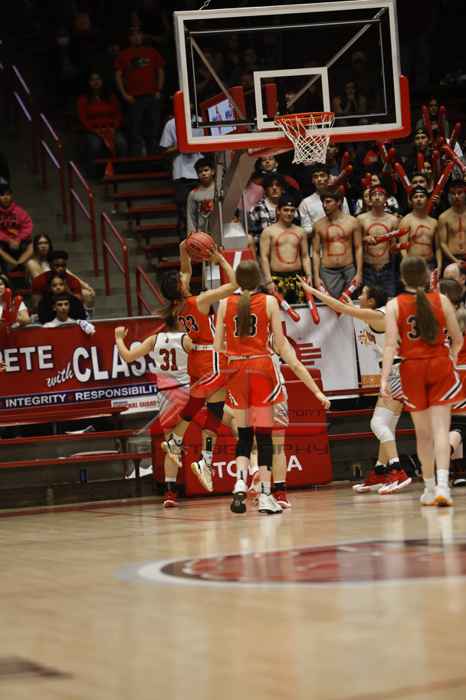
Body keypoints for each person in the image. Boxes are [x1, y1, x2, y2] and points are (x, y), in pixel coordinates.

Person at [214, 260, 330, 514]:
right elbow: (280, 342)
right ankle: (267, 495)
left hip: (236, 370)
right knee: (265, 438)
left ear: (236, 281)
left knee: (244, 436)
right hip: (261, 369)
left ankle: (239, 482)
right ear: (258, 279)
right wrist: (316, 391)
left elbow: (217, 346)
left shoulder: (223, 303)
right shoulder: (268, 302)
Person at [300, 278, 412, 494]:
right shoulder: (381, 314)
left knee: (377, 424)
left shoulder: (377, 316)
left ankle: (398, 470)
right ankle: (380, 470)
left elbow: (340, 307)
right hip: (398, 371)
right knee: (387, 426)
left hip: (397, 372)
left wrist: (311, 291)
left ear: (371, 301)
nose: (359, 296)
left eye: (363, 294)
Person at [380, 256, 464, 507]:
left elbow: (389, 346)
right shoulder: (442, 300)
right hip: (439, 365)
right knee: (441, 430)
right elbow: (458, 339)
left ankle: (429, 488)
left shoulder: (394, 305)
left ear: (402, 277)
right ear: (428, 276)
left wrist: (384, 379)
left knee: (423, 434)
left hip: (412, 369)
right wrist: (450, 358)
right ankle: (443, 486)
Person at [158, 240, 239, 492]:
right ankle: (178, 441)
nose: (185, 278)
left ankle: (205, 460)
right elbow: (234, 284)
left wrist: (183, 247)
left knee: (214, 411)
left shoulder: (175, 307)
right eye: (182, 280)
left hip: (194, 361)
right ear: (181, 287)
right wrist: (221, 259)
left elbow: (185, 269)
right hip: (209, 358)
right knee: (202, 407)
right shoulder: (199, 301)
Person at [114, 306, 193, 508]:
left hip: (166, 395)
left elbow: (128, 357)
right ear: (181, 321)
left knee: (172, 446)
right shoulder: (187, 339)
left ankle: (170, 493)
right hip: (186, 392)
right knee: (219, 420)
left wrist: (119, 338)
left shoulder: (154, 340)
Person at [115, 26, 165, 155]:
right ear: (129, 38)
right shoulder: (123, 54)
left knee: (153, 128)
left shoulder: (152, 51)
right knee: (135, 130)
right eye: (133, 35)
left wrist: (159, 90)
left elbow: (160, 70)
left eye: (139, 34)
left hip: (152, 95)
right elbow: (118, 75)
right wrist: (124, 94)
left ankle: (154, 156)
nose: (136, 37)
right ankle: (137, 158)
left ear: (142, 36)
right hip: (134, 98)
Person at [260, 195, 311, 304]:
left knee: (301, 311)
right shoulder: (268, 232)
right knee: (277, 311)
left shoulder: (300, 232)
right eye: (286, 210)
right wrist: (268, 281)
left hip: (298, 278)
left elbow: (305, 256)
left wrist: (309, 275)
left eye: (292, 211)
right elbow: (264, 257)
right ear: (278, 211)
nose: (289, 213)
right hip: (276, 279)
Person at [312, 189, 363, 299]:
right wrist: (316, 277)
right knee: (330, 304)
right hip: (327, 271)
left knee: (351, 303)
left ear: (339, 202)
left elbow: (358, 247)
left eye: (328, 202)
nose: (324, 205)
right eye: (323, 202)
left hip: (349, 269)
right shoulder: (318, 225)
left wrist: (359, 272)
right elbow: (315, 252)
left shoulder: (353, 222)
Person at [159, 114, 203, 239]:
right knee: (184, 214)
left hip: (200, 173)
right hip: (181, 174)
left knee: (203, 212)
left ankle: (203, 243)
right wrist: (181, 146)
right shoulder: (171, 124)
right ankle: (186, 244)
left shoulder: (201, 121)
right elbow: (164, 151)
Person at [77, 71, 127, 178]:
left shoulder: (111, 97)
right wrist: (95, 131)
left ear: (102, 81)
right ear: (88, 83)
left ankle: (120, 172)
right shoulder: (83, 99)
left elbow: (118, 114)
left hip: (111, 128)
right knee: (95, 145)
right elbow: (82, 118)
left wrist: (114, 128)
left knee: (121, 142)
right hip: (93, 131)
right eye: (92, 80)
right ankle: (94, 173)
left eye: (98, 79)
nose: (95, 82)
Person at [358, 186, 399, 298]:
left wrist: (397, 248)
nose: (377, 197)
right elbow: (355, 244)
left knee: (389, 300)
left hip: (387, 267)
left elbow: (393, 246)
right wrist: (364, 239)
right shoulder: (361, 219)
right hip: (367, 267)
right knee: (367, 301)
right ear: (369, 199)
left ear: (386, 199)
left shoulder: (393, 220)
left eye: (380, 195)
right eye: (374, 195)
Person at [298, 164, 350, 237]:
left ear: (329, 178)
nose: (319, 179)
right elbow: (306, 229)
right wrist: (322, 227)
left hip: (339, 239)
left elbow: (348, 222)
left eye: (322, 175)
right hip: (317, 241)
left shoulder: (341, 198)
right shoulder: (305, 203)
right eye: (315, 177)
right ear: (312, 180)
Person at [399, 186, 440, 274]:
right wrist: (407, 264)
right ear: (411, 201)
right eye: (415, 197)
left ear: (427, 200)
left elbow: (438, 248)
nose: (418, 199)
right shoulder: (406, 221)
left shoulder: (434, 222)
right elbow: (402, 248)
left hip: (430, 263)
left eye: (422, 196)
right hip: (413, 263)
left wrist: (439, 266)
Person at [0, 182, 33, 275]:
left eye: (8, 194)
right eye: (2, 195)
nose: (5, 197)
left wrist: (18, 239)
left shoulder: (19, 211)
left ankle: (19, 263)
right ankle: (14, 264)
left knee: (33, 245)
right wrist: (8, 240)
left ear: (11, 196)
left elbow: (28, 226)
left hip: (19, 240)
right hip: (3, 242)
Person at [438, 180, 466, 265]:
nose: (456, 196)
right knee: (451, 272)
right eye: (453, 193)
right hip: (451, 259)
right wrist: (455, 260)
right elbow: (442, 243)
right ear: (449, 195)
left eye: (460, 193)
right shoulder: (443, 217)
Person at [185, 158, 216, 237]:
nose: (203, 173)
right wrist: (191, 236)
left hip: (220, 231)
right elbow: (191, 217)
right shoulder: (193, 194)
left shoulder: (220, 190)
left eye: (206, 170)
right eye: (200, 171)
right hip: (202, 234)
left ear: (213, 171)